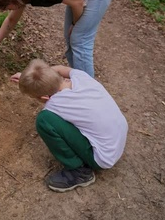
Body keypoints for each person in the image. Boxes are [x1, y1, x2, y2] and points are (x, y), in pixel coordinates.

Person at [11, 59, 128, 193]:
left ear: (44, 97)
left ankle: (80, 173)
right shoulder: (81, 76)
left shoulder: (55, 104)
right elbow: (60, 68)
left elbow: (50, 106)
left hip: (103, 157)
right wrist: (30, 78)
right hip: (118, 139)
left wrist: (32, 86)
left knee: (44, 120)